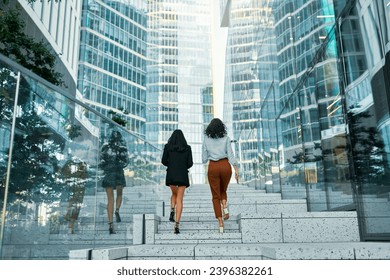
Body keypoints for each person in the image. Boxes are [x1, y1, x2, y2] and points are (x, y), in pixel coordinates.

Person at [202, 118, 239, 233]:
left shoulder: (206, 140)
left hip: (213, 167)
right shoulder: (226, 139)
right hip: (225, 166)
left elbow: (203, 159)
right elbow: (231, 155)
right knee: (223, 189)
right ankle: (225, 207)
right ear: (222, 128)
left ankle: (220, 222)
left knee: (215, 195)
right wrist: (236, 169)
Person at [161, 129, 193, 234]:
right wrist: (182, 166)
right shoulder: (187, 148)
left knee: (174, 193)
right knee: (179, 199)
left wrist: (171, 165)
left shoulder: (168, 147)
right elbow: (190, 163)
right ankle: (177, 225)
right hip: (182, 175)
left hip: (171, 174)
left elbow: (163, 161)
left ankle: (171, 210)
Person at [99, 130, 129, 234]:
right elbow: (126, 162)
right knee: (119, 194)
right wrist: (119, 164)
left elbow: (101, 161)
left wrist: (106, 167)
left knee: (110, 199)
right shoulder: (122, 147)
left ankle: (111, 224)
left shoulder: (105, 146)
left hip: (109, 173)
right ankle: (117, 210)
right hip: (118, 172)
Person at [62, 156, 87, 234]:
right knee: (74, 204)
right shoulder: (69, 164)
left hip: (76, 188)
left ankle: (70, 226)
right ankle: (70, 225)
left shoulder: (82, 164)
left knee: (75, 205)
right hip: (72, 187)